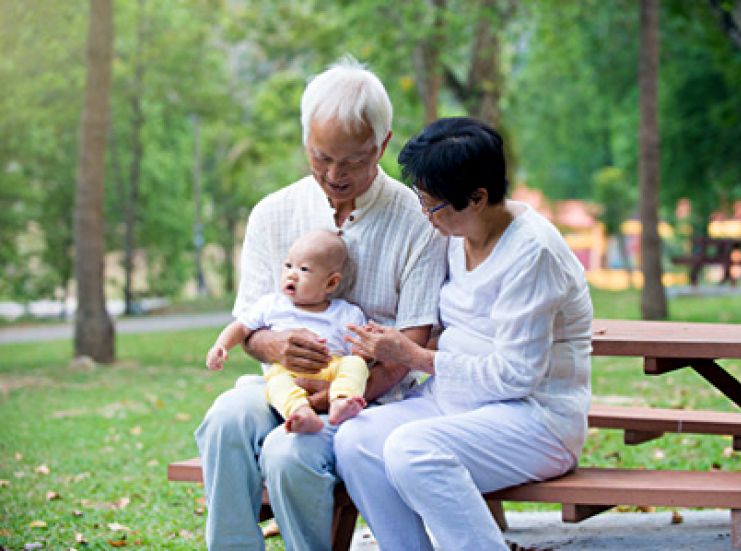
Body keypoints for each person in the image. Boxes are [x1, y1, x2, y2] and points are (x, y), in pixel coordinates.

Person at [194, 57, 447, 551]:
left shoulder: (417, 222)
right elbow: (251, 329)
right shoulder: (273, 213)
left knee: (290, 453)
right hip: (281, 385)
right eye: (321, 156)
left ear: (384, 144)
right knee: (225, 418)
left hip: (365, 400)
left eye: (353, 160)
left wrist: (339, 400)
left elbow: (412, 344)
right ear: (306, 139)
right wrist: (274, 346)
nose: (334, 173)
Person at [335, 117, 593, 550]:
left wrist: (414, 357)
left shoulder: (534, 254)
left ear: (477, 198)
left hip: (536, 419)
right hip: (456, 404)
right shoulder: (456, 233)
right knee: (356, 440)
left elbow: (516, 376)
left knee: (412, 450)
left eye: (433, 205)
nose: (425, 214)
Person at [205, 230, 371, 433]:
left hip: (331, 371)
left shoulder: (346, 313)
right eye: (288, 265)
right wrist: (220, 346)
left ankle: (341, 401)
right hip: (286, 371)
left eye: (304, 269)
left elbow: (359, 351)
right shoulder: (271, 305)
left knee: (355, 364)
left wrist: (366, 352)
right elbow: (240, 327)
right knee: (276, 383)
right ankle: (299, 412)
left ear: (331, 283)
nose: (292, 273)